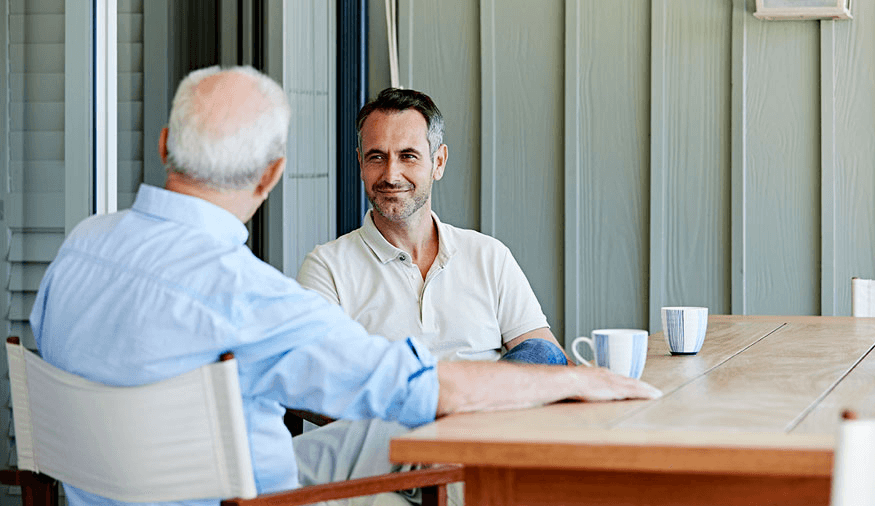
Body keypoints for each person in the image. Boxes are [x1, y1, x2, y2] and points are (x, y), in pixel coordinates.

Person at [30, 66, 660, 506]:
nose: (391, 173)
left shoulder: (80, 249)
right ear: (273, 174)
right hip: (249, 499)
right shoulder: (250, 297)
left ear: (167, 145)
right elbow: (414, 388)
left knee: (387, 437)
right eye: (376, 157)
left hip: (117, 494)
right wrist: (580, 377)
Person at [297, 87, 567, 365]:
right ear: (361, 164)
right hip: (397, 406)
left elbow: (550, 361)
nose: (391, 175)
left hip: (491, 407)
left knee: (542, 353)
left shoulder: (489, 256)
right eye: (376, 157)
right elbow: (316, 385)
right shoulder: (326, 268)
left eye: (408, 156)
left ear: (438, 162)